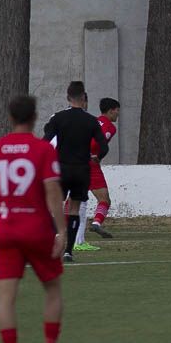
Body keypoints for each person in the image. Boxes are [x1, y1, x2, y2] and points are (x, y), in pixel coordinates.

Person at [0, 95, 68, 343]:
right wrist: (61, 231)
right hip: (37, 229)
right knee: (52, 288)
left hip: (6, 230)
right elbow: (52, 192)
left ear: (10, 117)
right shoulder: (43, 150)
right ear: (34, 118)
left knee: (6, 297)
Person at [43, 81, 107, 262]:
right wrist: (97, 157)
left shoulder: (58, 118)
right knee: (74, 209)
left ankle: (53, 237)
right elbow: (103, 147)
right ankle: (68, 251)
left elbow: (46, 141)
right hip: (81, 170)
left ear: (68, 97)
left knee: (52, 206)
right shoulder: (91, 121)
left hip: (61, 168)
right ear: (83, 99)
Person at [87, 97, 120, 239]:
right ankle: (96, 222)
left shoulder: (91, 121)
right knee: (104, 200)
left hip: (74, 162)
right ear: (111, 110)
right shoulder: (109, 127)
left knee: (73, 199)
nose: (118, 114)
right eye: (117, 111)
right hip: (90, 165)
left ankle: (61, 228)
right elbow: (96, 143)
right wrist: (96, 156)